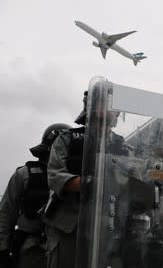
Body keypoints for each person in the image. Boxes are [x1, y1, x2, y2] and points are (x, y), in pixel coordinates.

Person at [0, 123, 70, 268]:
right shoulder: (24, 174)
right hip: (32, 250)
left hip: (66, 250)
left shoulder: (78, 180)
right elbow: (5, 214)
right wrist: (3, 250)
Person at [42, 92, 87, 268]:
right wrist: (88, 182)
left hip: (107, 225)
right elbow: (54, 176)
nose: (112, 112)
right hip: (68, 224)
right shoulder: (66, 138)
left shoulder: (119, 144)